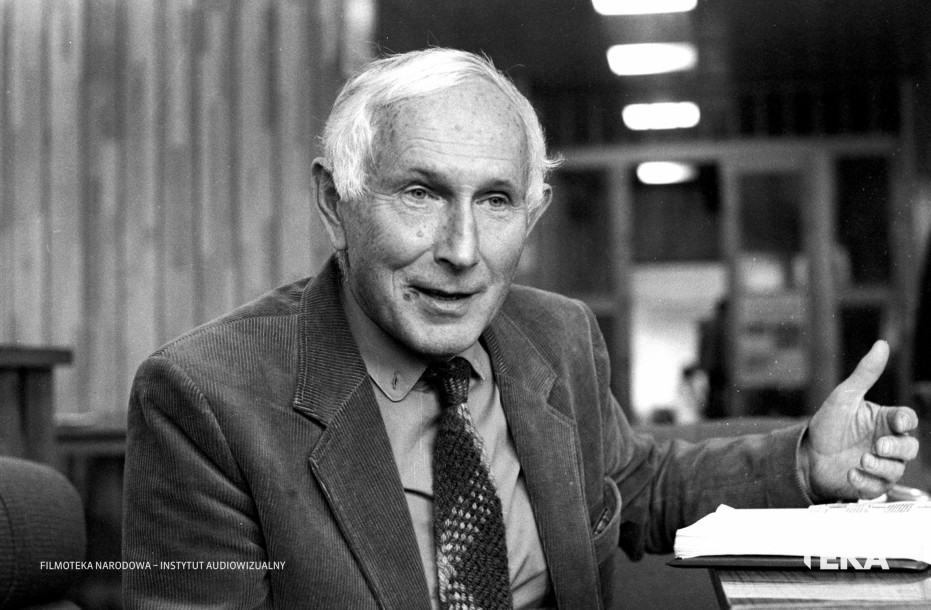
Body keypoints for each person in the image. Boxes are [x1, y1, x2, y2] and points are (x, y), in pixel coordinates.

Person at [122, 48, 919, 609]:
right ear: (336, 203)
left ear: (531, 215)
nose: (462, 251)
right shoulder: (207, 396)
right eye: (420, 193)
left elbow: (636, 488)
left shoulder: (557, 336)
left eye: (496, 201)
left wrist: (802, 463)